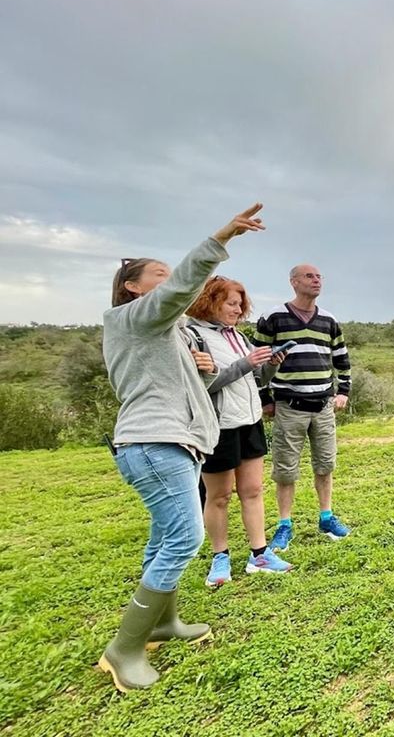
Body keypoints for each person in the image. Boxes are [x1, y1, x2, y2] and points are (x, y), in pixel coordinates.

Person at [98, 203, 265, 692]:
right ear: (133, 285)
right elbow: (181, 288)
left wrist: (198, 366)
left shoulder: (158, 331)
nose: (169, 280)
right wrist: (222, 238)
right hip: (154, 441)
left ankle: (163, 624)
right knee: (183, 540)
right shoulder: (132, 315)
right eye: (159, 274)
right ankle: (124, 649)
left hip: (167, 441)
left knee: (163, 537)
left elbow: (173, 382)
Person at [186, 277, 294, 587]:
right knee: (219, 496)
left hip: (249, 421)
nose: (237, 309)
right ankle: (220, 557)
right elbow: (206, 384)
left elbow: (257, 379)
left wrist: (271, 365)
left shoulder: (238, 337)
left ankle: (259, 554)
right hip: (218, 427)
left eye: (239, 304)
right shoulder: (194, 337)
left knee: (253, 491)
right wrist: (246, 363)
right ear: (210, 301)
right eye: (230, 303)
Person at [253, 264, 352, 551]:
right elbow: (257, 361)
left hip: (323, 405)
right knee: (285, 469)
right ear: (293, 282)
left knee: (325, 464)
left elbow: (341, 359)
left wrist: (343, 391)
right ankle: (285, 525)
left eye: (320, 276)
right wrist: (265, 399)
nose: (317, 280)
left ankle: (326, 516)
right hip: (289, 405)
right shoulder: (274, 318)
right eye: (309, 276)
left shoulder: (329, 320)